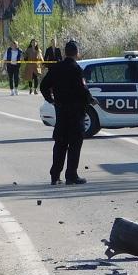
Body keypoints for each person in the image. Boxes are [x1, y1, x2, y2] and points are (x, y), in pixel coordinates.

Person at [39, 40, 93, 185]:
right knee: (75, 145)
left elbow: (44, 85)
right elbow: (83, 90)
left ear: (64, 53)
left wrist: (50, 100)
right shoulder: (76, 69)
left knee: (60, 144)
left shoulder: (56, 68)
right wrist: (90, 100)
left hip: (61, 111)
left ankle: (55, 175)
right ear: (77, 53)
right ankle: (71, 175)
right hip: (76, 114)